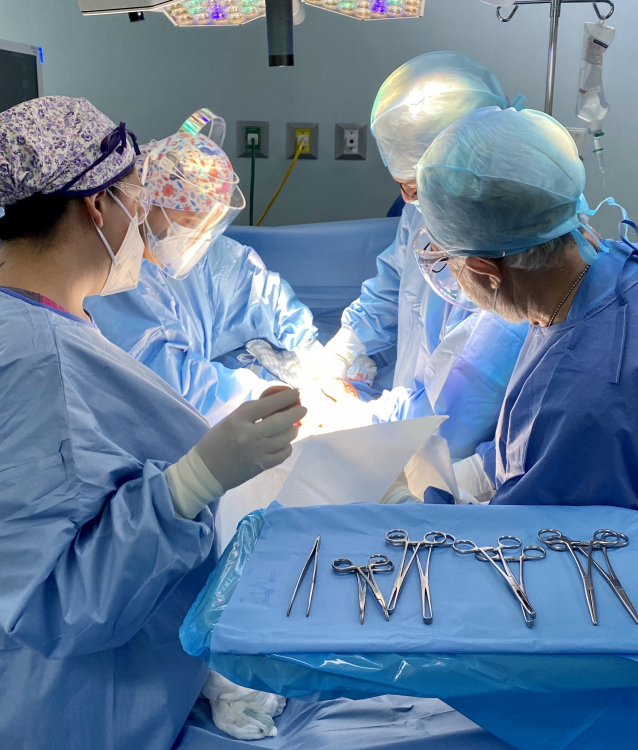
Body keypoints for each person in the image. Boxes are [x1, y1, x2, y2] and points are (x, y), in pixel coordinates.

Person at [0, 96, 305, 750]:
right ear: (96, 206)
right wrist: (194, 480)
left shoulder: (47, 322)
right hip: (72, 725)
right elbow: (59, 602)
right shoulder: (41, 359)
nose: (146, 221)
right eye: (139, 200)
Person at [414, 103, 638, 507]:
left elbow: (530, 541)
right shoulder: (603, 272)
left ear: (485, 268)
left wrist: (441, 508)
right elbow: (526, 447)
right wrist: (472, 475)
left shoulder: (579, 401)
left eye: (448, 260)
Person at [324, 52, 529, 460]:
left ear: (459, 175)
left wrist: (358, 421)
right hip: (408, 424)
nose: (408, 200)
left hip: (454, 461)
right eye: (402, 185)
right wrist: (345, 347)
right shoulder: (426, 212)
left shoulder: (517, 261)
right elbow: (390, 285)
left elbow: (449, 422)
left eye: (417, 188)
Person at [86, 117, 322, 426]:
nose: (197, 239)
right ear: (145, 204)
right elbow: (166, 381)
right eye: (187, 224)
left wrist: (313, 353)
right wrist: (263, 396)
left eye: (206, 227)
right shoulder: (112, 278)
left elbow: (253, 288)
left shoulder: (197, 255)